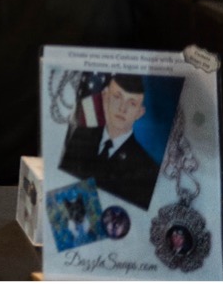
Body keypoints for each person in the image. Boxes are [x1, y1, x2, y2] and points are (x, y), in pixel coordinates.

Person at [59, 74, 160, 209]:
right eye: (117, 97)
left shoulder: (147, 169)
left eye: (132, 103)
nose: (122, 109)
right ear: (105, 97)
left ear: (139, 113)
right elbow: (59, 186)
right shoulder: (80, 136)